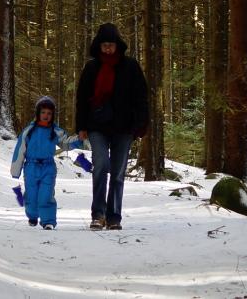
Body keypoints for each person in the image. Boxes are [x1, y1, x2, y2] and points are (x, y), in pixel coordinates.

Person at [76, 23, 148, 230]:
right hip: (97, 126)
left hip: (124, 128)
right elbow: (81, 99)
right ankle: (98, 214)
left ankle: (114, 216)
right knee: (101, 167)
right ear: (99, 46)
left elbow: (141, 97)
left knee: (117, 173)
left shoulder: (131, 67)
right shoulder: (91, 68)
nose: (108, 49)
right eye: (104, 45)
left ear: (118, 46)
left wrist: (140, 124)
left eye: (111, 45)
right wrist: (81, 126)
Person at [11, 96, 83, 230]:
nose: (46, 115)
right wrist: (16, 170)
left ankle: (48, 221)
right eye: (43, 112)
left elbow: (66, 142)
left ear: (52, 115)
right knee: (31, 195)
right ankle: (32, 216)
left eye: (49, 113)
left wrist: (78, 139)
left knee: (46, 195)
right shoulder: (29, 131)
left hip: (48, 167)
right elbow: (20, 150)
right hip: (31, 167)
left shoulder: (55, 131)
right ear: (38, 113)